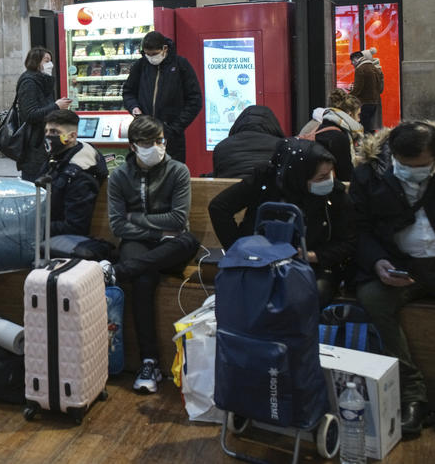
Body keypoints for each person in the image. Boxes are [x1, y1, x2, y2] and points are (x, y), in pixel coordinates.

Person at [350, 120, 435, 439]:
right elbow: (360, 228)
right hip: (400, 266)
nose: (413, 171)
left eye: (422, 166)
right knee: (371, 298)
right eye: (405, 165)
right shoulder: (370, 173)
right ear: (393, 155)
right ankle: (412, 393)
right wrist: (378, 261)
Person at [98, 115, 199, 394]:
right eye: (147, 142)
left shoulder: (177, 171)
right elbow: (119, 225)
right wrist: (156, 232)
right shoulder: (119, 176)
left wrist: (136, 218)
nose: (156, 146)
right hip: (142, 246)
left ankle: (116, 272)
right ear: (133, 146)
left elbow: (178, 220)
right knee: (142, 279)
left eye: (159, 140)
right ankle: (149, 362)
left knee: (187, 241)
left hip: (171, 248)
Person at [208, 137, 354, 307]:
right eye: (321, 177)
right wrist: (239, 248)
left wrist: (313, 256)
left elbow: (348, 242)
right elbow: (219, 207)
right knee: (243, 288)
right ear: (299, 176)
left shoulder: (334, 195)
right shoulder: (266, 179)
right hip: (261, 260)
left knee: (307, 296)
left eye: (330, 174)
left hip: (311, 265)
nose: (328, 181)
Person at [122, 31, 202, 165]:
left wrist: (175, 127)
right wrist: (134, 107)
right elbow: (128, 92)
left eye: (154, 54)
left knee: (171, 173)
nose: (150, 57)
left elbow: (195, 100)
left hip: (171, 136)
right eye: (147, 54)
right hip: (143, 132)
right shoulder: (140, 65)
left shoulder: (181, 65)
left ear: (164, 48)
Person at [40, 109, 108, 243]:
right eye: (46, 131)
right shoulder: (56, 158)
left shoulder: (80, 173)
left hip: (62, 240)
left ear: (71, 136)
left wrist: (34, 226)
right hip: (47, 229)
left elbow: (75, 226)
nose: (48, 136)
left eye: (54, 132)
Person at [15, 46, 71, 182]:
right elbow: (30, 114)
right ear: (36, 61)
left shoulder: (44, 81)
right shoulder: (28, 82)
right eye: (46, 60)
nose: (50, 64)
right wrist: (56, 105)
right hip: (34, 145)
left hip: (46, 143)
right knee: (35, 184)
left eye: (50, 61)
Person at [299, 89, 363, 182]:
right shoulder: (339, 137)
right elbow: (345, 175)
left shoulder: (320, 126)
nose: (359, 120)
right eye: (358, 115)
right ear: (349, 114)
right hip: (329, 189)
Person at [211, 104, 285, 181]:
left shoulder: (221, 147)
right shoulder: (282, 147)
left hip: (233, 192)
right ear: (273, 124)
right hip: (269, 192)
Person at [349, 49, 383, 133]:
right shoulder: (375, 68)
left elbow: (358, 88)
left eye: (352, 61)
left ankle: (365, 145)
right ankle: (372, 144)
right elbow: (380, 88)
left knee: (363, 128)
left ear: (356, 59)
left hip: (364, 102)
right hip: (374, 102)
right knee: (370, 127)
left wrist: (349, 96)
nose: (351, 63)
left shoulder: (360, 69)